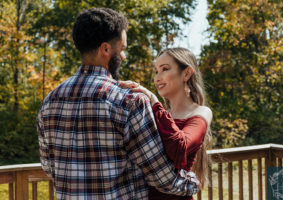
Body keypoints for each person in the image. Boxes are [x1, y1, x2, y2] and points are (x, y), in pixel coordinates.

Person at [37, 8, 200, 199]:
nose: (123, 57)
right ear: (105, 49)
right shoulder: (129, 101)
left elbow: (49, 167)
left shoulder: (49, 102)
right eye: (122, 50)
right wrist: (193, 183)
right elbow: (162, 177)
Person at [119, 47, 213, 200]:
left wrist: (153, 100)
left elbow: (179, 147)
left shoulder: (202, 112)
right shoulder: (156, 114)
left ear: (187, 73)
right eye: (156, 71)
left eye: (165, 69)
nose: (157, 78)